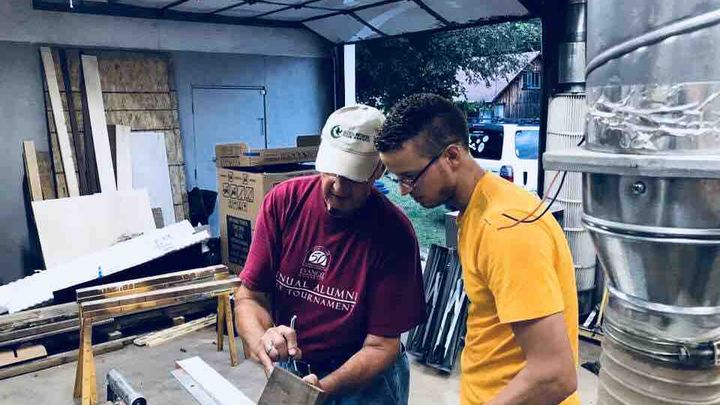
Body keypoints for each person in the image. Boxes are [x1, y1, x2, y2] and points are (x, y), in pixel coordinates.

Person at [376, 93, 579, 405]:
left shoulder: (505, 228)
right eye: (398, 179)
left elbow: (554, 374)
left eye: (410, 177)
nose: (404, 191)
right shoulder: (479, 208)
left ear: (452, 156)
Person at [234, 104, 426, 405]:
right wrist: (263, 340)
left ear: (378, 170)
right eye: (332, 170)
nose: (337, 186)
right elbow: (249, 298)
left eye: (352, 176)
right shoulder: (284, 203)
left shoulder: (394, 234)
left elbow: (381, 346)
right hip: (297, 368)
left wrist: (322, 388)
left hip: (366, 382)